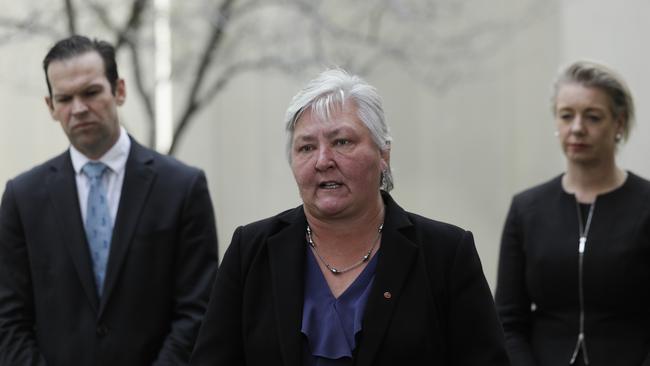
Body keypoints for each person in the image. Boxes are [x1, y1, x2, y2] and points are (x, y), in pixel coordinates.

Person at [190, 68, 509, 365]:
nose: (323, 160)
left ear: (383, 155)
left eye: (341, 142)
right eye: (306, 148)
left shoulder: (446, 255)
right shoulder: (251, 252)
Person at [0, 35, 219, 365]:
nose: (79, 108)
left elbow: (197, 311)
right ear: (51, 107)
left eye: (91, 92)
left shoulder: (183, 188)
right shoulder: (22, 197)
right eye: (65, 98)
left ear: (119, 90)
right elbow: (8, 320)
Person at [495, 60, 650, 366]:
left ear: (618, 123)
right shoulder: (526, 209)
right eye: (567, 116)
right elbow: (508, 319)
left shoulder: (645, 206)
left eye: (593, 117)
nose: (577, 128)